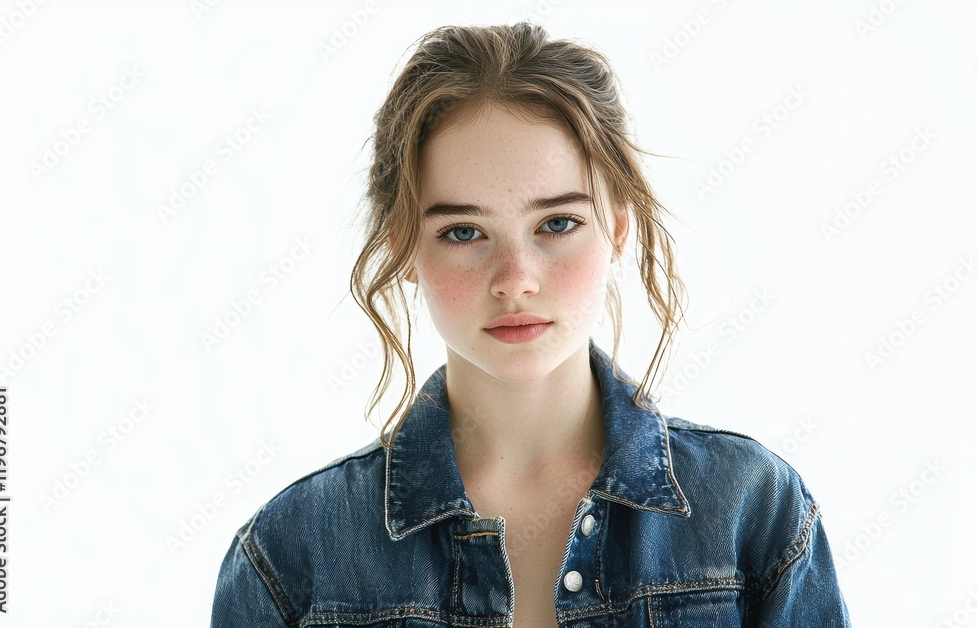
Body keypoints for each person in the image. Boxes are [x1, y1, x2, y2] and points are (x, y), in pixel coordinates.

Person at [211, 22, 851, 627]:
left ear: (618, 227)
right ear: (403, 246)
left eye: (557, 224)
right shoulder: (291, 555)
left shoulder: (752, 509)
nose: (515, 277)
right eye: (463, 232)